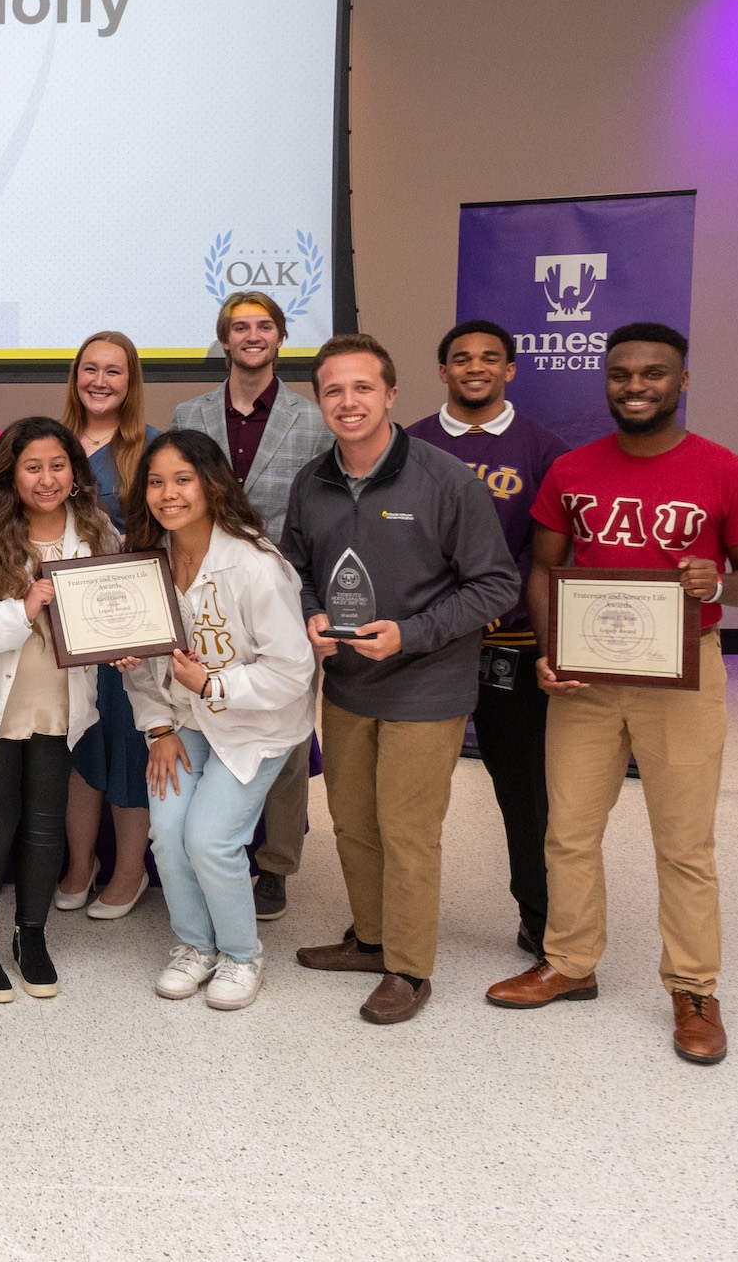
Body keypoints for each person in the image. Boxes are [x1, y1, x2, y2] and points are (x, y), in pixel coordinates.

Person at [486, 324, 738, 1067]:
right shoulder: (573, 468)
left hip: (682, 677)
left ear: (682, 381)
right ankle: (570, 961)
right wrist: (552, 650)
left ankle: (692, 987)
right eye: (621, 374)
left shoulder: (729, 470)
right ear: (607, 382)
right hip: (588, 680)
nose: (635, 385)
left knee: (684, 844)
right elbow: (545, 568)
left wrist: (719, 580)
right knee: (570, 832)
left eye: (653, 373)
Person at [283, 333, 516, 1025]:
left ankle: (409, 968)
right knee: (353, 821)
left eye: (362, 387)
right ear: (320, 401)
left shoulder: (447, 481)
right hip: (349, 682)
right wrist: (310, 612)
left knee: (407, 828)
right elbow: (292, 569)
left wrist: (411, 634)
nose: (347, 401)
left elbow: (495, 583)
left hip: (425, 684)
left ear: (390, 394)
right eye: (333, 390)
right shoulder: (311, 482)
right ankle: (371, 937)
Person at [0, 417, 117, 1004]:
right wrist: (23, 608)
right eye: (33, 466)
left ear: (74, 472)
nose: (47, 478)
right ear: (10, 471)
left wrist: (123, 643)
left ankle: (31, 936)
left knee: (43, 825)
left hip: (58, 703)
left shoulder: (94, 528)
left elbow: (112, 604)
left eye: (58, 465)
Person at [122, 431, 314, 1010]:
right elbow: (143, 667)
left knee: (210, 839)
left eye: (182, 479)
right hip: (182, 722)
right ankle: (194, 946)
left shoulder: (257, 565)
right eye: (156, 482)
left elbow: (291, 673)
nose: (168, 493)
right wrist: (157, 728)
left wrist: (213, 683)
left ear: (211, 484)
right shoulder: (147, 559)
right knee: (168, 834)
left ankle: (241, 954)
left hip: (255, 724)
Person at [407, 320, 566, 956]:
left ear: (511, 370)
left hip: (513, 646)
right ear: (442, 372)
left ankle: (540, 912)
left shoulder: (544, 449)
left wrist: (490, 604)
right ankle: (396, 918)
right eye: (461, 359)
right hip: (426, 644)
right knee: (410, 792)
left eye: (490, 358)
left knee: (523, 788)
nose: (476, 367)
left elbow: (547, 552)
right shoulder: (407, 442)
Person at [171, 292, 331, 924]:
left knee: (286, 738)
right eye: (241, 327)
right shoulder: (191, 412)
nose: (253, 336)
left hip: (277, 593)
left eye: (265, 326)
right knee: (208, 718)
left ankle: (278, 864)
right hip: (205, 592)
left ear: (281, 337)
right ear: (225, 338)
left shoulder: (312, 420)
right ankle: (214, 846)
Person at [54, 331, 158, 921]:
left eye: (113, 371)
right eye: (89, 369)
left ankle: (128, 869)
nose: (99, 381)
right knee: (77, 740)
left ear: (131, 380)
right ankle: (79, 864)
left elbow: (168, 530)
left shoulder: (150, 448)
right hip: (65, 623)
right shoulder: (55, 443)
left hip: (126, 623)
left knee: (125, 740)